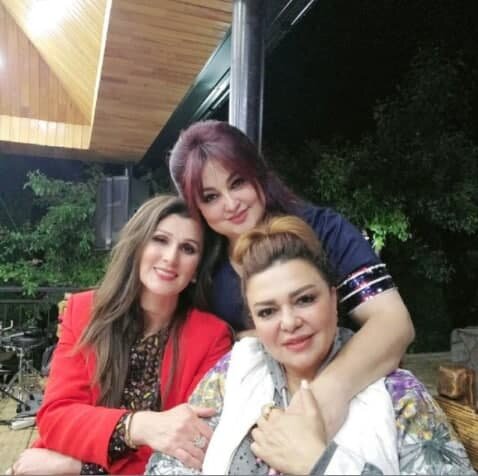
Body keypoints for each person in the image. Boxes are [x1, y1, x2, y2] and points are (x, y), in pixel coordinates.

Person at [146, 215, 475, 475]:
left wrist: (322, 463)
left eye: (304, 300)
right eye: (268, 311)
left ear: (333, 299)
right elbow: (170, 465)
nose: (289, 322)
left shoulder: (397, 394)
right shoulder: (234, 372)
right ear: (254, 321)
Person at [168, 119, 415, 435]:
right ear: (196, 208)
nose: (231, 204)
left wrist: (326, 395)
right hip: (250, 421)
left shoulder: (325, 232)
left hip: (353, 406)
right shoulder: (203, 267)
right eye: (210, 197)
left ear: (258, 172)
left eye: (238, 182)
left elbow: (393, 322)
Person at [8, 195, 232, 475]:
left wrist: (81, 468)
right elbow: (56, 417)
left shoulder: (212, 337)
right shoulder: (84, 312)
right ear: (137, 247)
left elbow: (192, 450)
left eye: (188, 248)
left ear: (197, 269)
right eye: (160, 240)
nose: (170, 258)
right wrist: (139, 426)